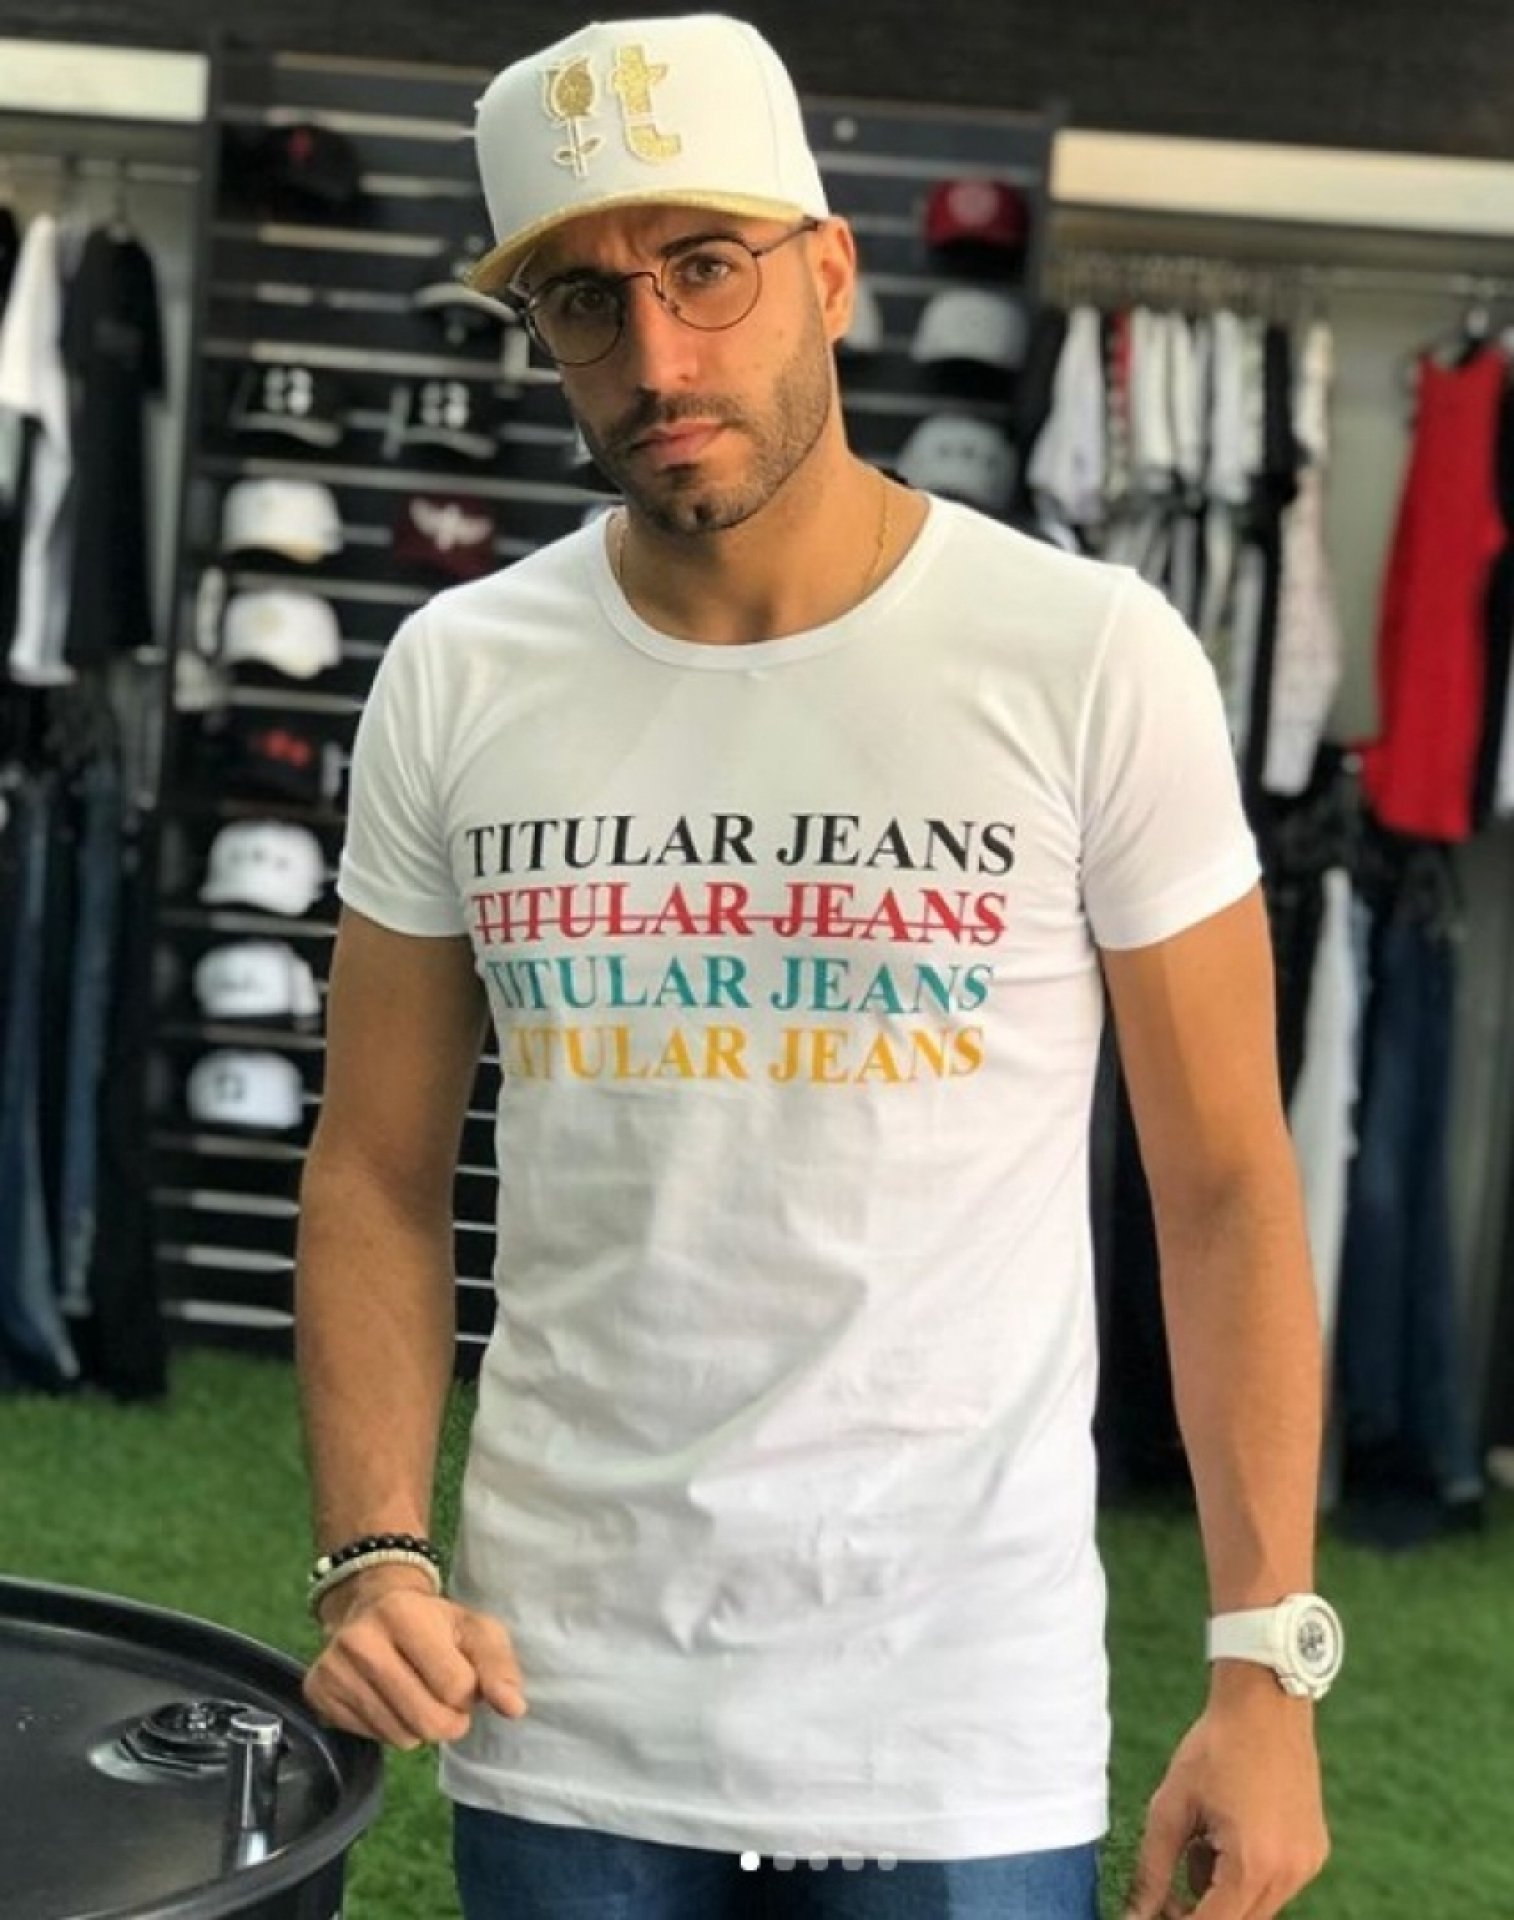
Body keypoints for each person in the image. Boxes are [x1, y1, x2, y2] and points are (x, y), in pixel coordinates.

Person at [296, 15, 1341, 1918]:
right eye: (585, 301)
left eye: (706, 266)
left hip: (949, 1720)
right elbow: (374, 1165)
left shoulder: (1086, 656)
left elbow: (1221, 1182)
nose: (658, 357)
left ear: (830, 270)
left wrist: (1265, 1662)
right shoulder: (456, 674)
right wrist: (373, 1550)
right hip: (562, 1698)